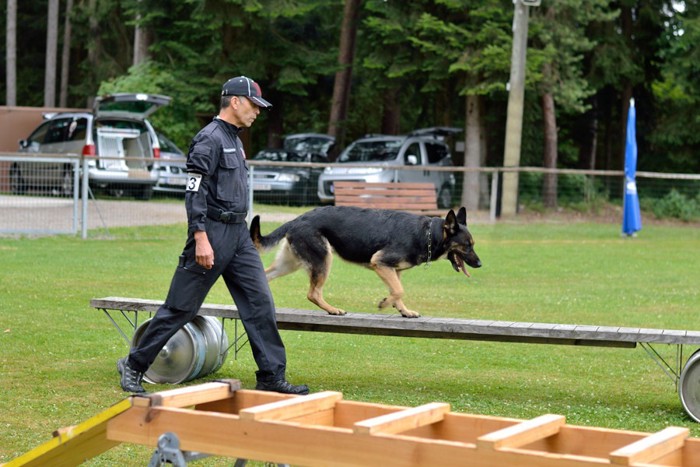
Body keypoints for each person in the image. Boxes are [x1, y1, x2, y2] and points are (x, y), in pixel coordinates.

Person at [117, 76, 309, 395]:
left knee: (260, 304)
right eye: (254, 105)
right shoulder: (209, 139)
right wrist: (201, 237)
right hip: (212, 233)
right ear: (235, 102)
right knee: (181, 308)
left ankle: (271, 376)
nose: (257, 112)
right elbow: (194, 193)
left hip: (238, 236)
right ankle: (134, 365)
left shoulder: (234, 138)